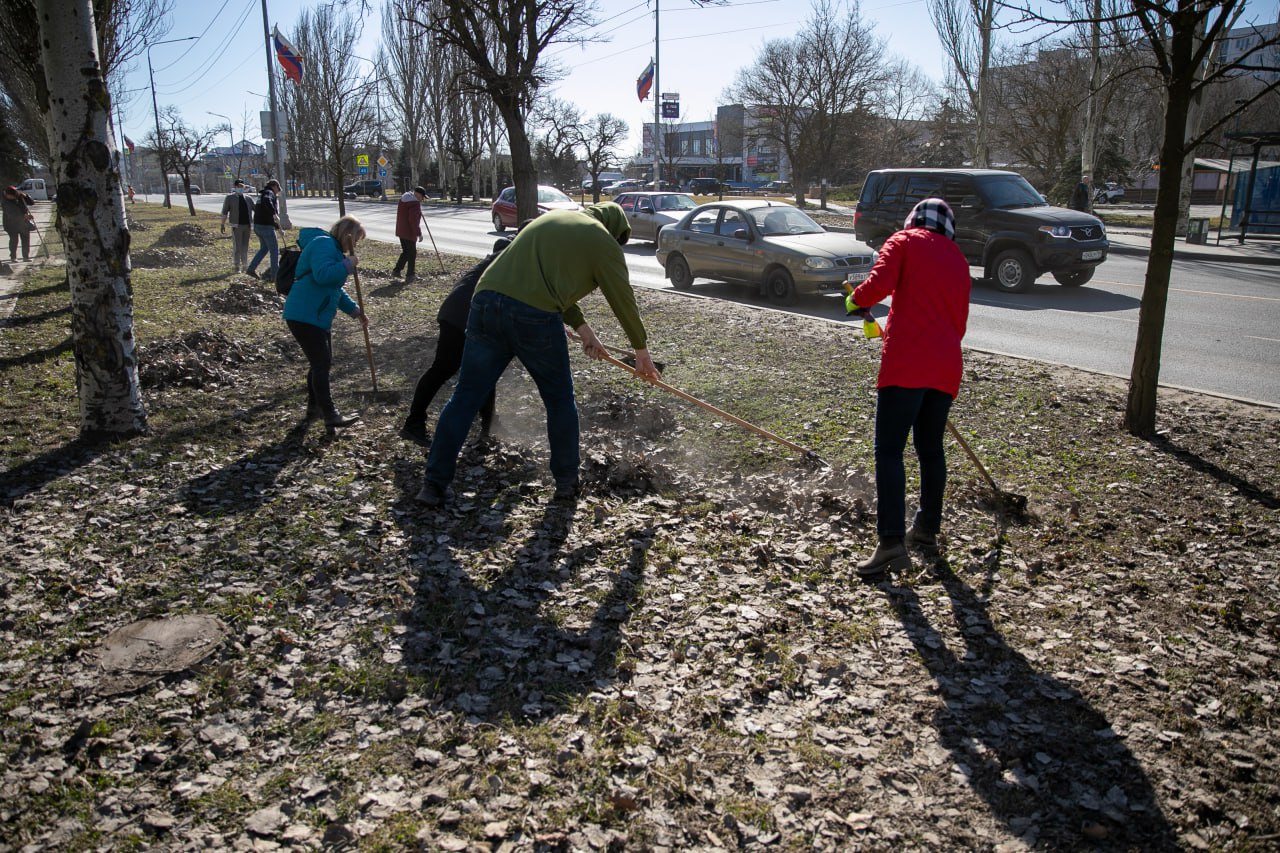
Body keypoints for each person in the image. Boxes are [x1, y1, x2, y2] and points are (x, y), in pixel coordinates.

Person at [415, 202, 661, 507]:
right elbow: (622, 297)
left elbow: (539, 282)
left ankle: (433, 485)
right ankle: (566, 483)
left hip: (485, 303)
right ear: (615, 230)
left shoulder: (550, 220)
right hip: (534, 317)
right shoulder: (602, 239)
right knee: (559, 401)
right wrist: (641, 352)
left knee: (465, 397)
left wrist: (585, 331)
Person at [845, 197, 971, 577]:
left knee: (889, 451)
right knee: (931, 451)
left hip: (906, 365)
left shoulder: (903, 241)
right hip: (945, 367)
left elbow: (878, 285)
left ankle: (890, 543)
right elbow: (960, 321)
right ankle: (927, 531)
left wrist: (854, 299)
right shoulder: (959, 259)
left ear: (913, 220)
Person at [399, 236, 511, 447]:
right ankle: (413, 423)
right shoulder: (505, 264)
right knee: (443, 369)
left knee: (483, 370)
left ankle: (489, 425)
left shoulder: (491, 260)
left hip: (456, 314)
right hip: (461, 318)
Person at [282, 215, 369, 431]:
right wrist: (347, 265)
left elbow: (334, 289)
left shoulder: (333, 249)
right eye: (355, 240)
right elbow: (323, 275)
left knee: (320, 363)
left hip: (315, 315)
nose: (355, 245)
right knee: (321, 363)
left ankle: (315, 409)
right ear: (346, 234)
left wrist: (355, 311)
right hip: (304, 313)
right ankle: (330, 414)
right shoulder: (323, 244)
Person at [246, 179, 283, 280]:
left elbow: (265, 212)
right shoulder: (269, 193)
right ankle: (275, 276)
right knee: (274, 251)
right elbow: (268, 203)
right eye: (278, 188)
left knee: (264, 249)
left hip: (258, 226)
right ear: (274, 186)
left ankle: (251, 269)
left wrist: (278, 228)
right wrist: (274, 214)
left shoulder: (262, 194)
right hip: (266, 227)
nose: (278, 191)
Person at [392, 186, 427, 284]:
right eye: (422, 197)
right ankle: (410, 275)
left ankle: (396, 271)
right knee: (412, 254)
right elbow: (413, 220)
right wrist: (418, 233)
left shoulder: (404, 199)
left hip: (401, 230)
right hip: (409, 232)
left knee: (406, 252)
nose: (422, 199)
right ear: (418, 194)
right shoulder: (414, 203)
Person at [219, 179, 254, 273]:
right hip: (236, 226)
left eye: (242, 187)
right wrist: (222, 224)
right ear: (235, 187)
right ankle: (237, 266)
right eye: (238, 186)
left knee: (245, 246)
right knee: (237, 247)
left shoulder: (248, 198)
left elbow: (256, 209)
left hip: (247, 226)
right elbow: (224, 212)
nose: (240, 188)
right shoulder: (230, 198)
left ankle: (245, 265)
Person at [2, 185, 35, 263]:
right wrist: (25, 216)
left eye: (14, 195)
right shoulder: (4, 202)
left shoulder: (19, 196)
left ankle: (25, 257)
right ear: (7, 194)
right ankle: (13, 257)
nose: (13, 197)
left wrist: (26, 196)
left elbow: (31, 202)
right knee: (14, 240)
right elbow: (12, 214)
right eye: (11, 196)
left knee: (26, 239)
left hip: (24, 223)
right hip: (11, 224)